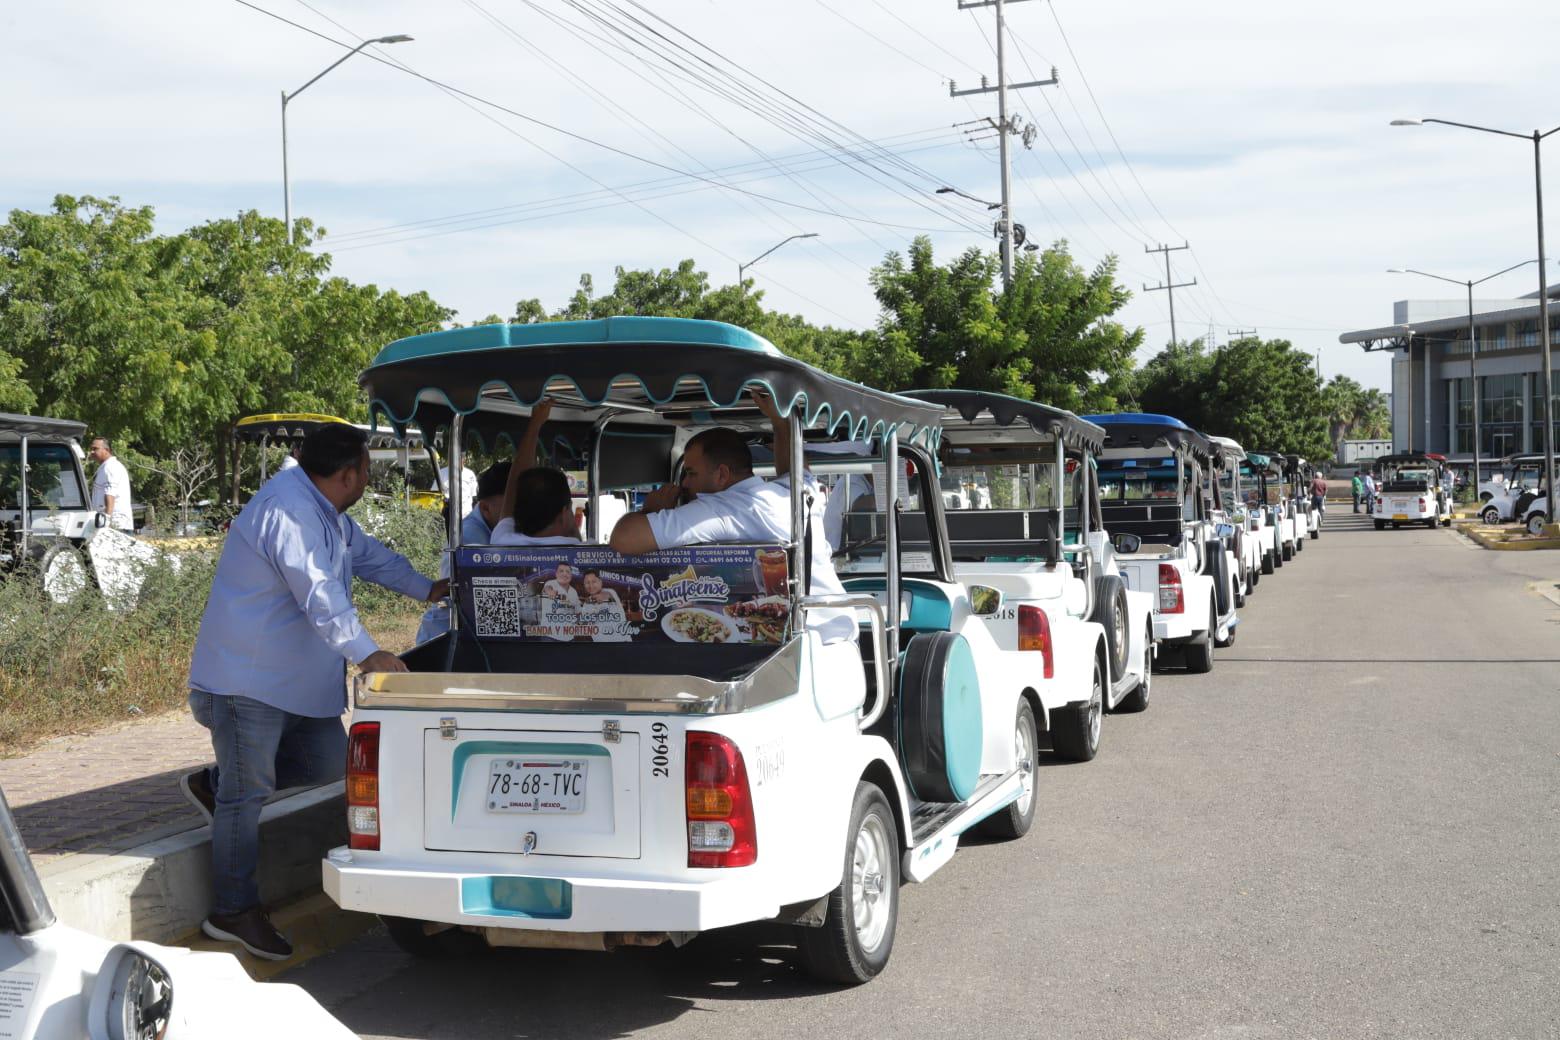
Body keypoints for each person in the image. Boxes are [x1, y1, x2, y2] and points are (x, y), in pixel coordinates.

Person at [181, 423, 447, 961]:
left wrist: (427, 588)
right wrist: (366, 652)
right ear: (348, 474)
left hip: (296, 686)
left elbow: (368, 557)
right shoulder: (289, 511)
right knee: (247, 794)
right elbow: (320, 596)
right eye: (368, 472)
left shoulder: (327, 513)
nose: (369, 481)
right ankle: (232, 911)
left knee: (331, 767)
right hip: (246, 682)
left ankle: (219, 783)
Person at [607, 390, 854, 643]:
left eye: (691, 473)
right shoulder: (790, 493)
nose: (685, 483)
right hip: (841, 634)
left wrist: (650, 508)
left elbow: (624, 539)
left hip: (809, 642)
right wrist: (780, 423)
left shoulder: (724, 507)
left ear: (722, 475)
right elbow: (794, 469)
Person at [413, 402, 553, 643]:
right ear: (486, 507)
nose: (518, 511)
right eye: (511, 504)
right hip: (449, 636)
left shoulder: (496, 529)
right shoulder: (472, 539)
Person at [87, 437, 134, 532]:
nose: (92, 452)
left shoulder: (111, 467)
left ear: (107, 450)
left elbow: (110, 495)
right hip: (111, 524)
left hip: (116, 525)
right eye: (91, 449)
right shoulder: (105, 467)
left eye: (95, 449)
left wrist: (106, 521)